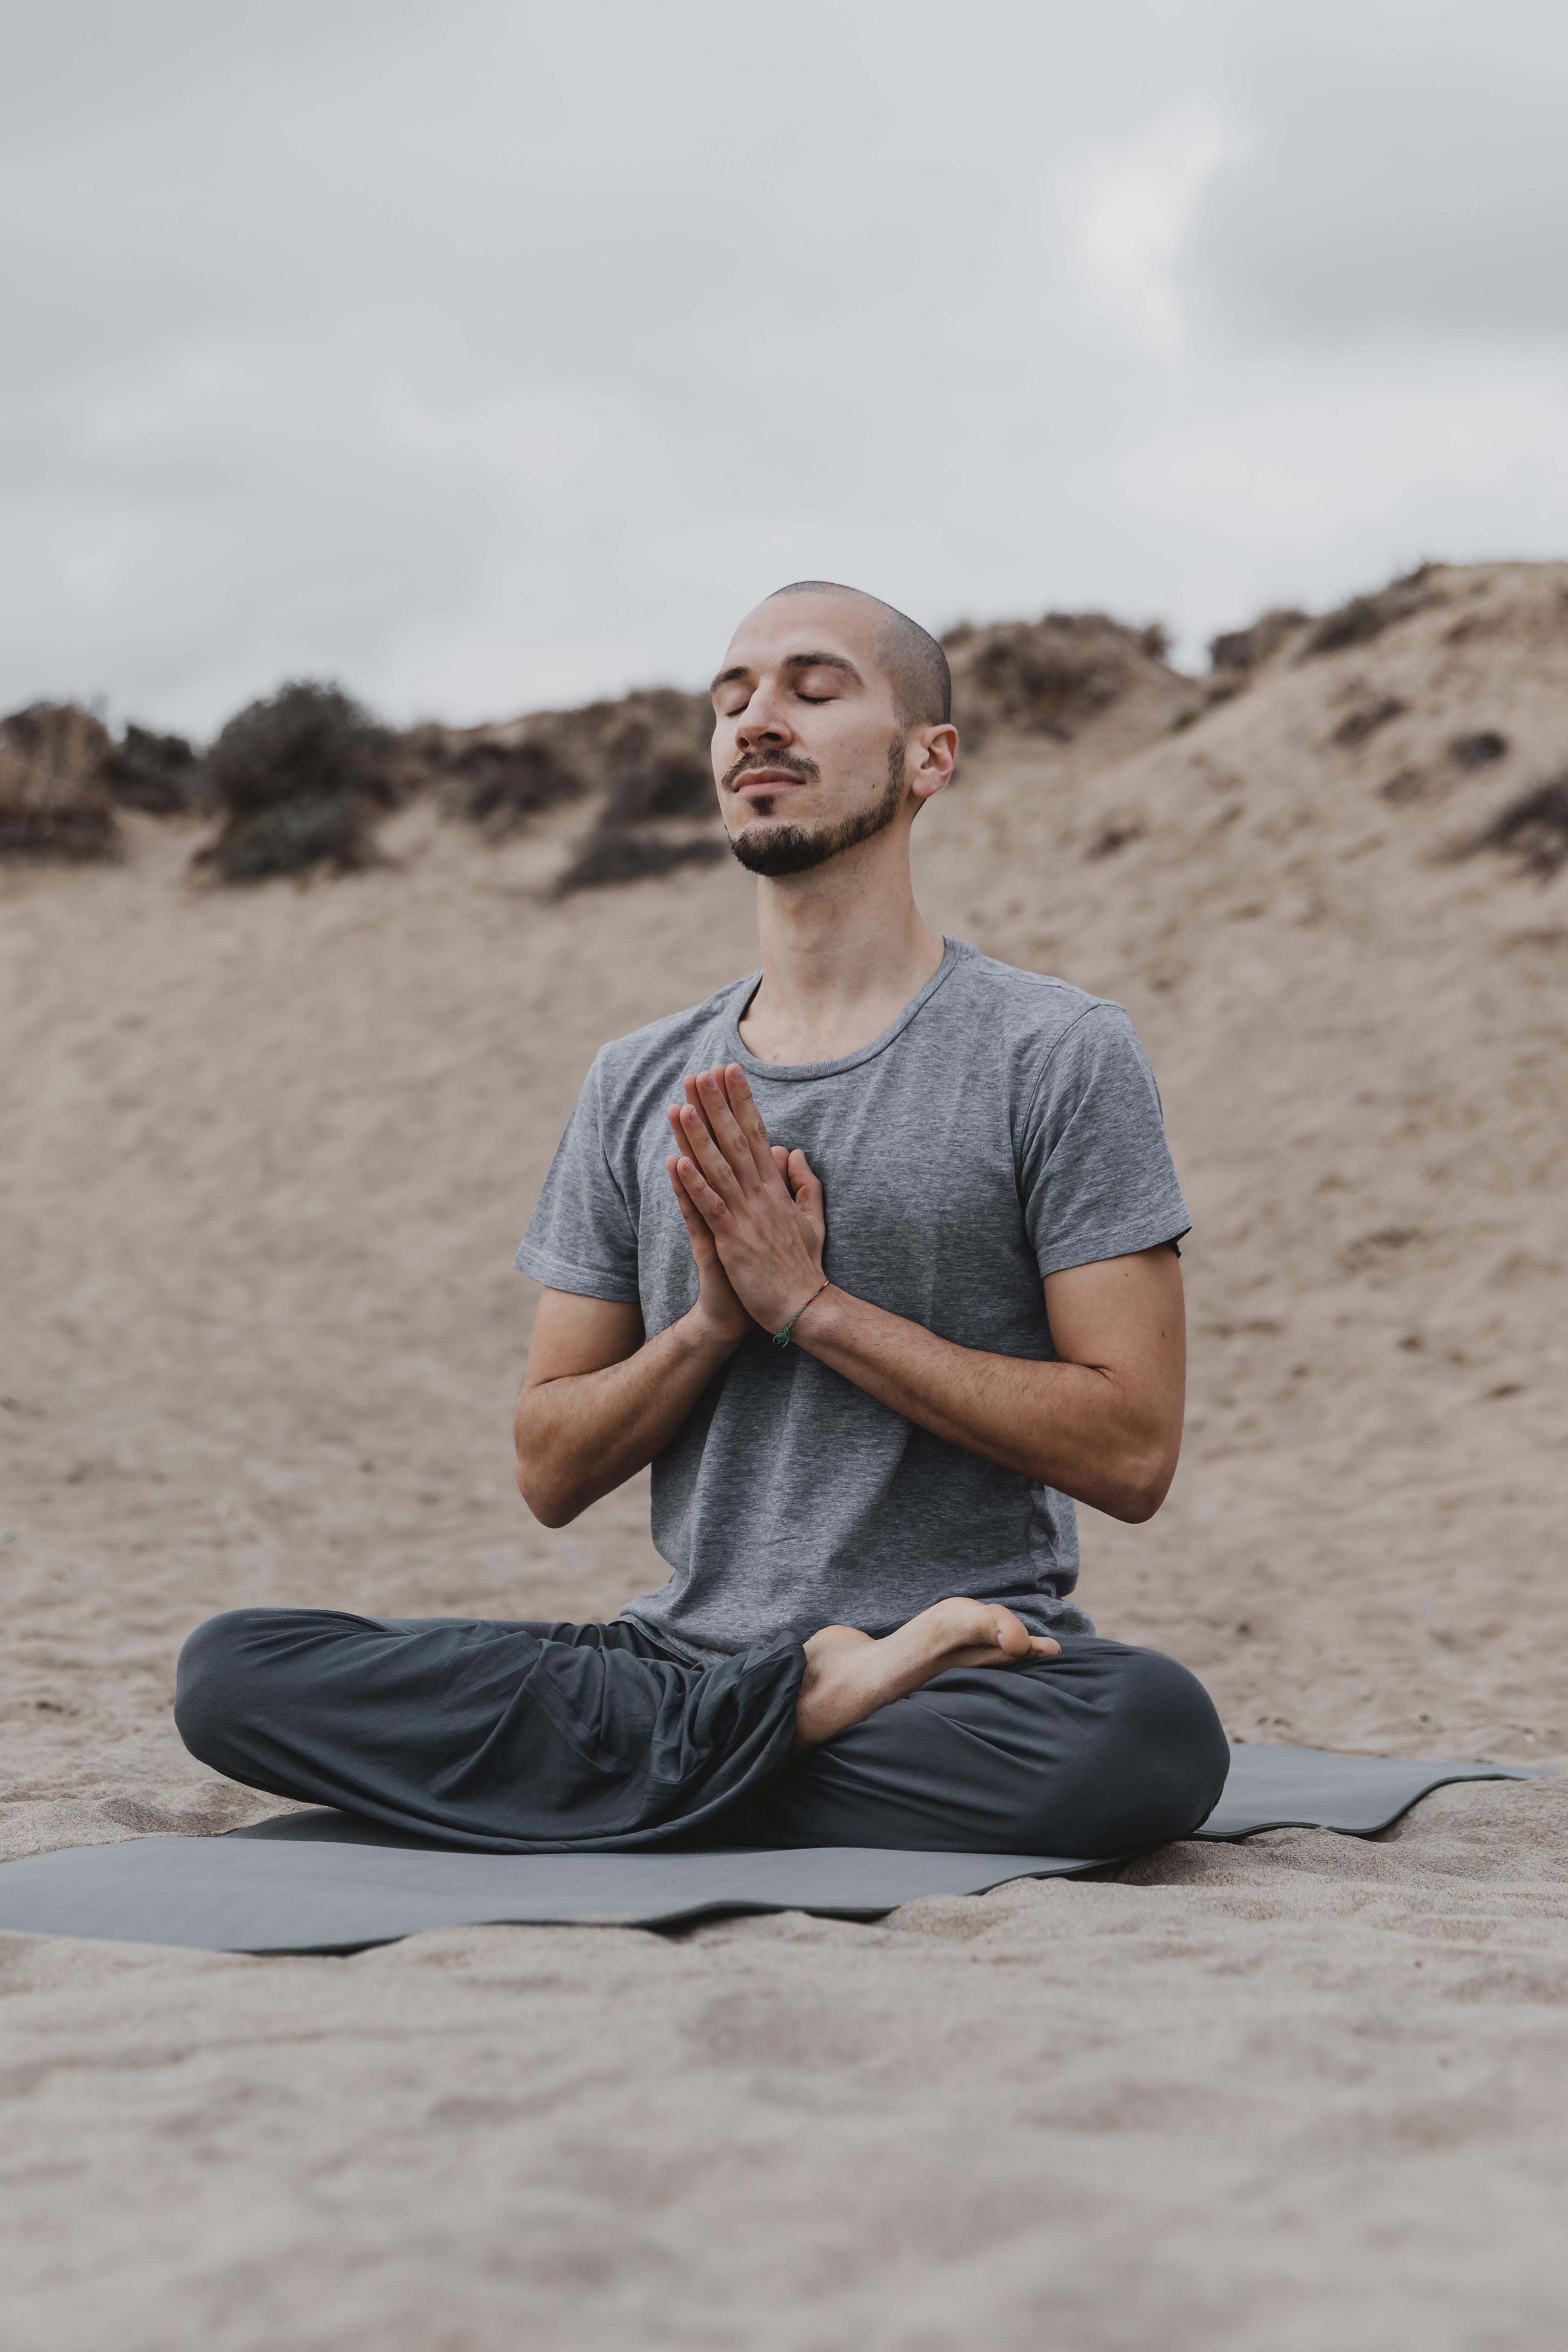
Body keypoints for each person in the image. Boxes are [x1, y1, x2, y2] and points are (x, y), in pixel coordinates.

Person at [175, 582, 1229, 1856]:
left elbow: (1131, 1451)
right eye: (731, 701)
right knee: (232, 1672)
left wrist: (817, 1311)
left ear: (929, 757)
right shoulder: (637, 1078)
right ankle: (800, 1708)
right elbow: (551, 1467)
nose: (756, 721)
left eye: (814, 687)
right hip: (672, 1659)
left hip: (968, 1675)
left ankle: (747, 1734)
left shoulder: (1054, 1053)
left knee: (1152, 1737)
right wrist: (713, 1328)